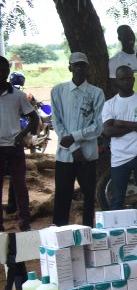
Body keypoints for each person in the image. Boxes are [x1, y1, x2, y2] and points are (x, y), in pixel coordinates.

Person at [50, 52, 104, 227]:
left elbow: (98, 126)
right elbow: (56, 122)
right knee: (62, 195)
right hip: (65, 155)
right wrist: (73, 147)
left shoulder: (96, 93)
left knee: (88, 196)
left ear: (88, 68)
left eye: (83, 65)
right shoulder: (58, 91)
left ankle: (88, 230)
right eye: (76, 65)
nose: (79, 68)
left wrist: (73, 137)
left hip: (87, 155)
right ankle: (59, 231)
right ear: (70, 68)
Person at [103, 66, 137, 218]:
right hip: (119, 157)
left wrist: (121, 123)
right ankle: (115, 229)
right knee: (117, 197)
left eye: (129, 78)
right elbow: (108, 131)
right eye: (122, 79)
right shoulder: (110, 104)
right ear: (116, 82)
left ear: (133, 80)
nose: (126, 81)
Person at [0, 56, 37, 231]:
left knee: (20, 185)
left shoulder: (18, 96)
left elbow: (34, 118)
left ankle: (24, 222)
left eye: (4, 70)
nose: (1, 73)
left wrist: (21, 136)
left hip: (14, 147)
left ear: (8, 72)